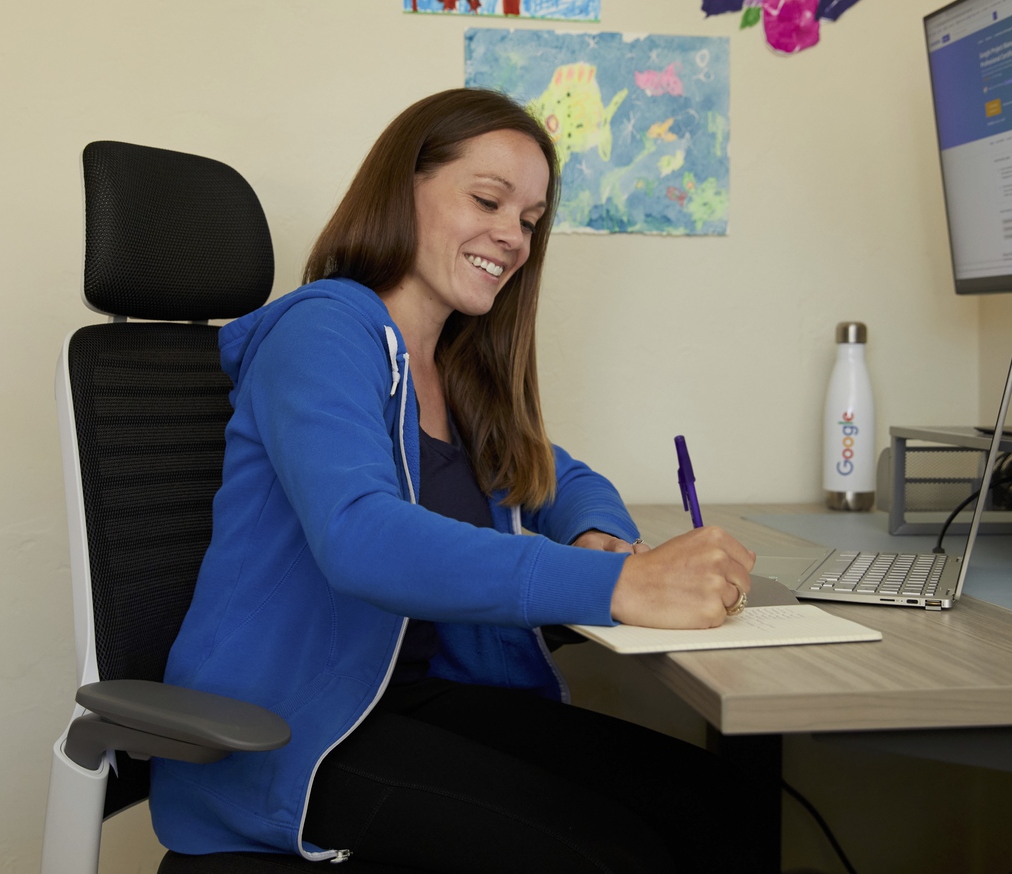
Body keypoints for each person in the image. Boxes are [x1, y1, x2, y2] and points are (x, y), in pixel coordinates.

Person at [152, 88, 759, 872]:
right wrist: (619, 586)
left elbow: (553, 475)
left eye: (531, 221)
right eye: (488, 200)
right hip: (291, 731)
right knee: (616, 852)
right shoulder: (322, 331)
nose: (512, 237)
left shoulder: (452, 370)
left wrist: (594, 532)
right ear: (403, 188)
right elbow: (360, 538)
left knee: (720, 801)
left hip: (407, 702)